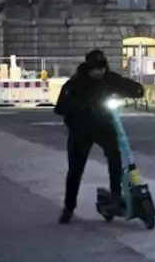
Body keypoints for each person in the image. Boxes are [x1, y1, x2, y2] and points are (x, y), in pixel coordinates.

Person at [53, 48, 145, 224]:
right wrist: (80, 108)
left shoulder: (109, 78)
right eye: (96, 69)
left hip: (104, 126)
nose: (99, 72)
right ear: (88, 69)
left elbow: (124, 84)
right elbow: (60, 108)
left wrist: (137, 90)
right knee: (76, 168)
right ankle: (69, 206)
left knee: (115, 156)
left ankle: (116, 195)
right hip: (81, 130)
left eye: (102, 68)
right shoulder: (75, 83)